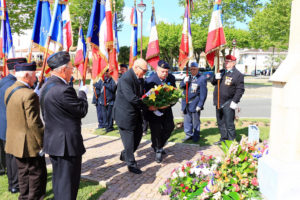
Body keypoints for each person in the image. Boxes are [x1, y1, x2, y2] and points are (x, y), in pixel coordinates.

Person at [40, 51, 88, 200]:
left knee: (60, 181)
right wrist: (82, 93)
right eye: (71, 69)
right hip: (66, 145)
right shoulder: (63, 89)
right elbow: (81, 110)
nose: (72, 71)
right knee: (69, 184)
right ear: (62, 70)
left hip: (54, 141)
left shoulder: (46, 85)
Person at [5, 62, 47, 199]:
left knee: (23, 172)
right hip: (29, 143)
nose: (35, 79)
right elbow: (34, 123)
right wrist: (42, 142)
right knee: (35, 173)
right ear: (26, 75)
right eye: (34, 75)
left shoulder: (9, 90)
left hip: (14, 140)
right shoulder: (29, 95)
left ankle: (24, 196)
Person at [113, 58, 154, 174]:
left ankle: (125, 154)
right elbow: (132, 98)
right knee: (129, 142)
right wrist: (147, 106)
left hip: (135, 114)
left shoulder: (139, 77)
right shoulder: (125, 79)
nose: (145, 73)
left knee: (138, 136)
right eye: (144, 71)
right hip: (124, 115)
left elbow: (141, 94)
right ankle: (131, 164)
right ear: (136, 67)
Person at [0, 58, 27, 193]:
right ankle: (15, 185)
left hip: (4, 125)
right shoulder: (13, 85)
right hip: (12, 125)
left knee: (9, 157)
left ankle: (13, 183)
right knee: (14, 158)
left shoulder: (4, 81)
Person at [144, 60, 176, 163]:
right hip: (154, 111)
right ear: (157, 70)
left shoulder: (171, 78)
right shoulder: (150, 81)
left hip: (167, 109)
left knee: (170, 127)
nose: (165, 74)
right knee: (156, 131)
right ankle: (158, 149)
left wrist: (169, 103)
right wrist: (153, 107)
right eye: (163, 71)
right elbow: (146, 98)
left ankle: (158, 145)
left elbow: (174, 94)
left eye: (166, 71)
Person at [210, 55, 245, 144]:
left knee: (229, 124)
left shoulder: (238, 75)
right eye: (225, 61)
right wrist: (215, 77)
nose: (226, 63)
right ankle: (223, 139)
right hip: (218, 101)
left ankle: (232, 142)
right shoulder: (221, 72)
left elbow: (240, 90)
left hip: (229, 102)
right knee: (220, 122)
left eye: (228, 62)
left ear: (233, 63)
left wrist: (235, 101)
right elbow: (213, 82)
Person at [180, 62, 208, 142]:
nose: (192, 70)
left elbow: (203, 93)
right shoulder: (187, 77)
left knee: (195, 121)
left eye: (194, 69)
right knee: (187, 120)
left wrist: (200, 104)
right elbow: (181, 87)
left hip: (195, 103)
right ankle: (188, 134)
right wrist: (184, 82)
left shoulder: (202, 78)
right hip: (185, 102)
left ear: (197, 69)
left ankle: (196, 136)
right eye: (191, 69)